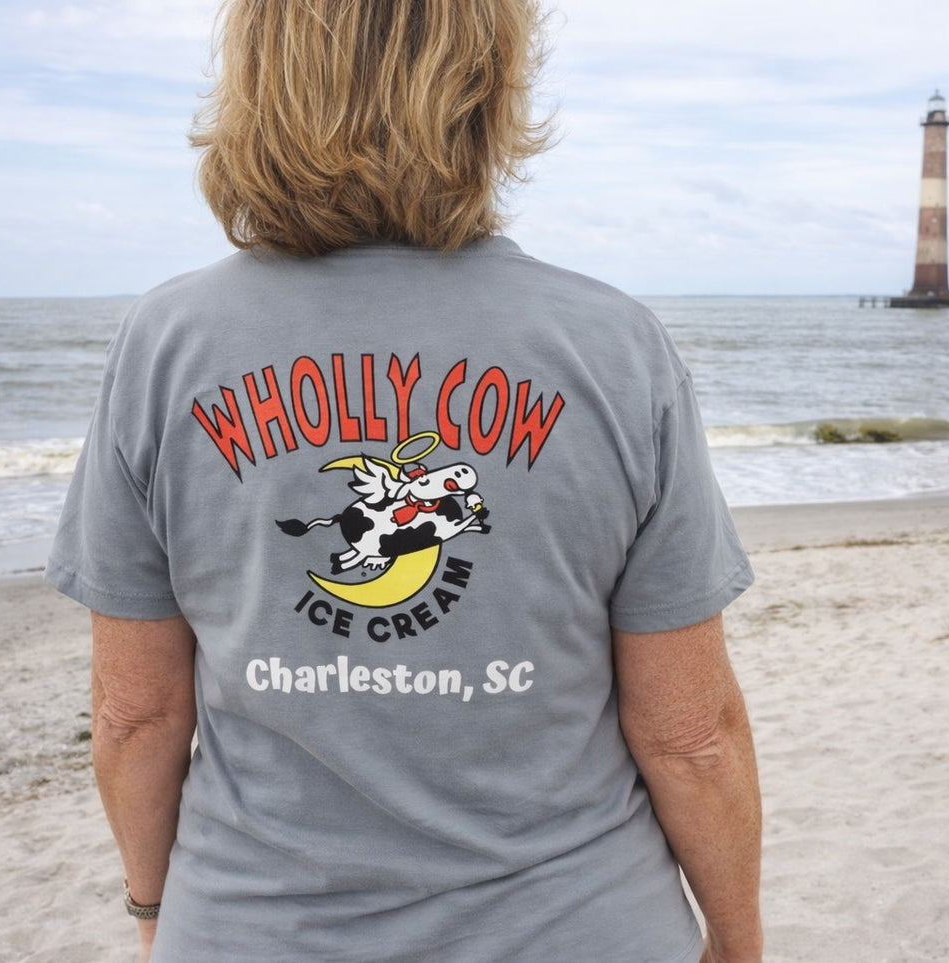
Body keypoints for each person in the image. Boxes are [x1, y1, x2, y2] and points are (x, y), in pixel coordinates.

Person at [46, 1, 762, 960]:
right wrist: (738, 939)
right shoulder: (612, 348)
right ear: (485, 89)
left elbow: (136, 715)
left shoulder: (165, 346)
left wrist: (151, 911)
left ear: (259, 85)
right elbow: (691, 736)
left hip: (254, 929)